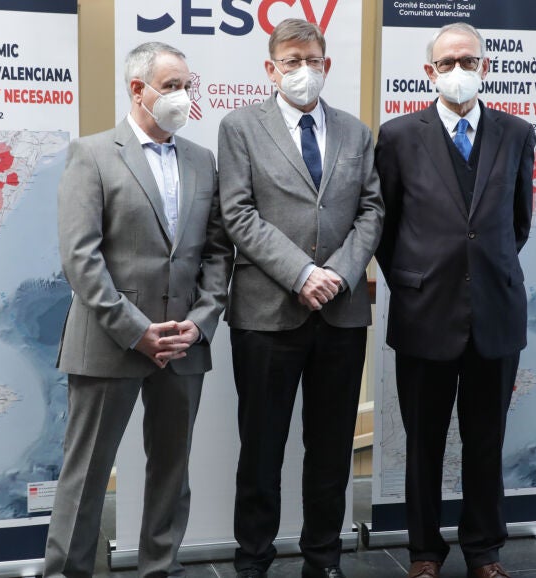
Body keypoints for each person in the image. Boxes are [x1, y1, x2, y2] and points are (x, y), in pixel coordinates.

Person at [44, 41, 233, 578]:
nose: (183, 96)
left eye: (187, 86)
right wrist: (137, 330)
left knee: (172, 473)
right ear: (137, 89)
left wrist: (199, 324)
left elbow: (218, 253)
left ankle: (159, 569)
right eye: (172, 86)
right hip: (110, 342)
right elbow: (81, 259)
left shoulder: (202, 160)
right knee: (85, 475)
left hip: (183, 346)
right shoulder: (92, 154)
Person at [217, 18, 384, 578]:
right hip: (267, 314)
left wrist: (336, 273)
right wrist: (301, 273)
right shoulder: (240, 127)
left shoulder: (356, 132)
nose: (303, 70)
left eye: (313, 60)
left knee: (331, 449)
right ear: (271, 69)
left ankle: (323, 560)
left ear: (327, 65)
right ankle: (253, 562)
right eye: (291, 61)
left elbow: (372, 210)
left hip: (341, 313)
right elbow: (237, 213)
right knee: (261, 450)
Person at [374, 22, 536, 578]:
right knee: (423, 442)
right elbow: (385, 229)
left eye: (468, 60)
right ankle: (424, 553)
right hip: (424, 314)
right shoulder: (398, 136)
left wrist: (478, 273)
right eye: (447, 63)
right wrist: (418, 280)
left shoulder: (516, 133)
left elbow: (518, 223)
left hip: (495, 313)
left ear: (485, 67)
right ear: (430, 72)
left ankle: (485, 552)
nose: (458, 71)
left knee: (485, 441)